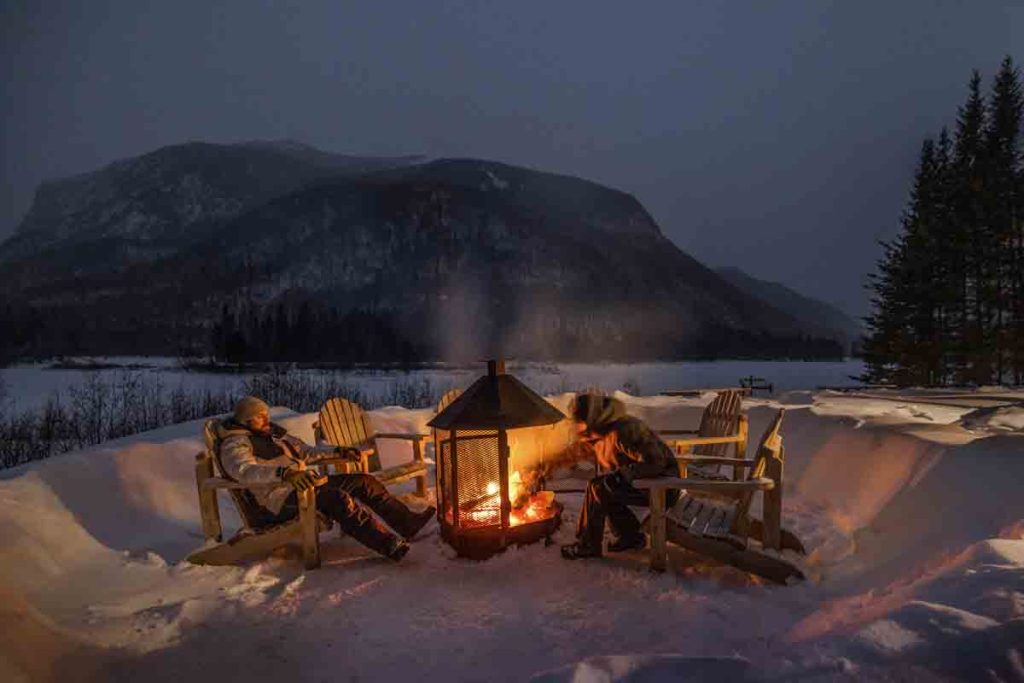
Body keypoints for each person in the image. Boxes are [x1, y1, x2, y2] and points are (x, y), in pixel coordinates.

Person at [217, 396, 435, 562]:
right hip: (278, 500)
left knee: (362, 481)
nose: (266, 419)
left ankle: (407, 523)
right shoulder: (235, 444)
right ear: (245, 420)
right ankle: (388, 544)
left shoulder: (273, 434)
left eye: (266, 414)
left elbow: (307, 452)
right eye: (259, 416)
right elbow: (243, 470)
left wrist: (339, 452)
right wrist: (284, 474)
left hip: (304, 485)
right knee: (337, 499)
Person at [560, 393, 679, 560]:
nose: (577, 428)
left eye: (579, 422)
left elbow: (655, 462)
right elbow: (579, 451)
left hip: (664, 486)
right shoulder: (602, 431)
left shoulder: (624, 430)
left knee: (600, 487)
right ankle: (630, 537)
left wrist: (624, 474)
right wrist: (544, 466)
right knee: (604, 486)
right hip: (646, 482)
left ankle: (588, 546)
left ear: (592, 419)